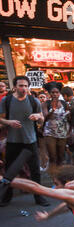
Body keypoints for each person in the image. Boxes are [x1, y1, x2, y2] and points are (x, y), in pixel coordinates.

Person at [0, 76, 49, 207]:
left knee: (35, 171)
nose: (24, 88)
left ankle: (39, 197)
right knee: (9, 170)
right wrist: (8, 122)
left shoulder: (34, 101)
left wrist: (38, 116)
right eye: (21, 86)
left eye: (26, 86)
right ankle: (6, 197)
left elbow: (42, 119)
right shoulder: (7, 100)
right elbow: (1, 119)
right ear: (15, 87)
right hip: (13, 141)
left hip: (30, 141)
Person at [42, 82, 70, 173]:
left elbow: (70, 118)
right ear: (49, 93)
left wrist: (69, 131)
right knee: (53, 156)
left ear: (59, 93)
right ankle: (53, 176)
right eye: (53, 92)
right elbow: (45, 117)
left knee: (61, 156)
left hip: (62, 133)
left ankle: (60, 176)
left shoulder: (64, 103)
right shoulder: (46, 104)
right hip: (50, 133)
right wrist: (52, 111)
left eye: (57, 92)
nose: (55, 94)